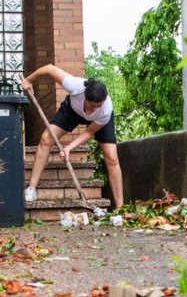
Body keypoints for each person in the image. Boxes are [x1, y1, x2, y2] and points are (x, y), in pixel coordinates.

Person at [21, 64, 123, 210]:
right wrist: (29, 80)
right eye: (92, 105)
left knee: (112, 157)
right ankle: (31, 188)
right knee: (46, 139)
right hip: (72, 111)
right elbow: (50, 68)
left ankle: (120, 208)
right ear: (85, 97)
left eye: (98, 106)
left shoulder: (105, 110)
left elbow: (88, 132)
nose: (94, 109)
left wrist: (68, 148)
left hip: (98, 122)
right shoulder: (75, 85)